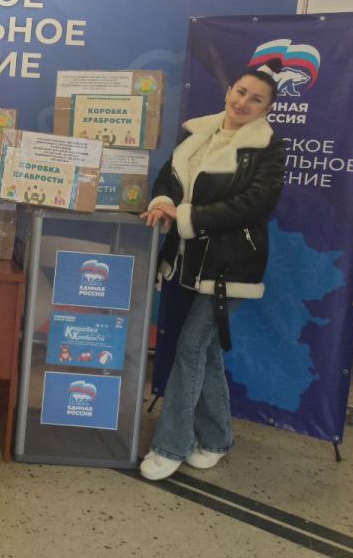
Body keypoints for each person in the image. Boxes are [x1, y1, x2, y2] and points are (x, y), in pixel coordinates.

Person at [138, 59, 286, 481]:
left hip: (231, 267)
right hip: (187, 260)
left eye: (256, 99)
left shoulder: (268, 148)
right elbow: (167, 179)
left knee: (190, 348)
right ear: (229, 90)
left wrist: (186, 215)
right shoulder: (197, 132)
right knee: (205, 351)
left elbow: (254, 205)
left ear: (267, 108)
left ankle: (171, 445)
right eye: (240, 91)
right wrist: (162, 203)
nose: (243, 102)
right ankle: (217, 437)